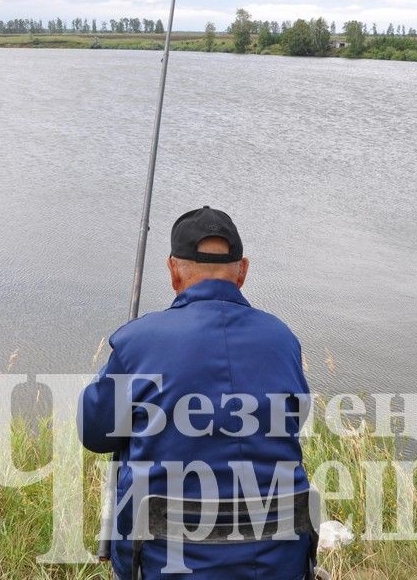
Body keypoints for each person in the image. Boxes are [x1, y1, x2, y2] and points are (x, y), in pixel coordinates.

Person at [78, 206, 314, 579]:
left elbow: (94, 434)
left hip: (162, 564)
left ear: (173, 270)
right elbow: (296, 418)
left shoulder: (138, 342)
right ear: (242, 272)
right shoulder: (283, 339)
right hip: (277, 562)